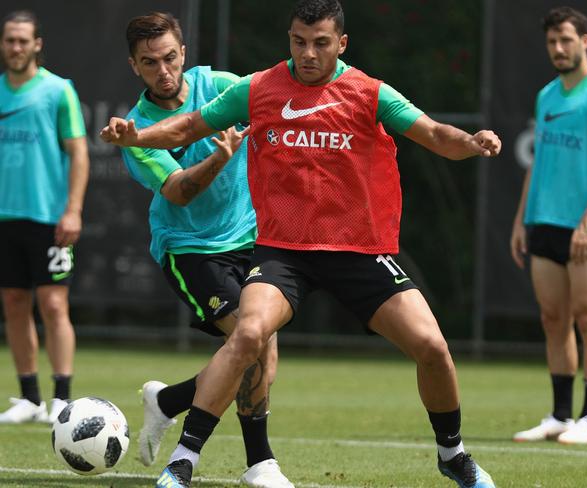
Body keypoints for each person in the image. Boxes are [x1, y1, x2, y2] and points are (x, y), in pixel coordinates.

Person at [102, 1, 501, 487]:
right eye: (298, 41)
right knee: (249, 336)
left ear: (342, 44)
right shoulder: (259, 88)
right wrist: (136, 134)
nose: (307, 53)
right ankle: (184, 459)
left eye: (320, 43)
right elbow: (188, 128)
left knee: (433, 347)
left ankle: (452, 455)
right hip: (282, 249)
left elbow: (436, 134)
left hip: (355, 248)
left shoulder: (369, 92)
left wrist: (471, 141)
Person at [119, 12, 292, 488]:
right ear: (134, 66)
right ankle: (259, 461)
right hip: (191, 247)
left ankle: (170, 403)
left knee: (260, 348)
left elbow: (276, 106)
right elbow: (178, 191)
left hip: (253, 237)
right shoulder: (136, 130)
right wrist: (220, 156)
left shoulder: (219, 86)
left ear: (185, 54)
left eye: (170, 57)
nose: (163, 70)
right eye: (149, 62)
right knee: (251, 341)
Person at [510, 6, 587, 445]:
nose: (558, 49)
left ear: (585, 41)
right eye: (551, 42)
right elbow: (537, 159)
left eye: (565, 39)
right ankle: (560, 416)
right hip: (545, 222)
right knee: (553, 318)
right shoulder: (547, 96)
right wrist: (524, 219)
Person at [0, 10, 89, 425]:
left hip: (48, 218)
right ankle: (29, 398)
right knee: (14, 302)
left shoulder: (58, 91)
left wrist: (72, 210)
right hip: (5, 218)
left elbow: (79, 153)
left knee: (54, 305)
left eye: (23, 40)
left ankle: (61, 398)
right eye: (9, 40)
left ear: (37, 45)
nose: (15, 47)